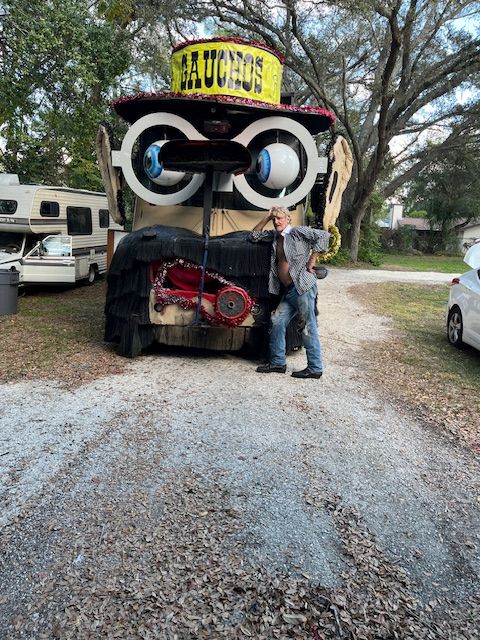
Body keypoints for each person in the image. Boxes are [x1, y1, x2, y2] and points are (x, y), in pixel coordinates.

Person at [250, 206, 330, 378]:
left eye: (280, 218)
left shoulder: (297, 232)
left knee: (307, 326)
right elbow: (254, 235)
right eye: (274, 219)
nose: (276, 221)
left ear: (288, 219)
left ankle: (315, 368)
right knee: (277, 321)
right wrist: (267, 217)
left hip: (302, 287)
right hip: (289, 290)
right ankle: (278, 363)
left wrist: (312, 260)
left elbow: (324, 235)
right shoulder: (274, 237)